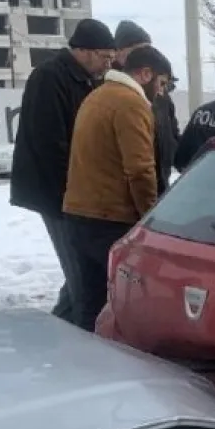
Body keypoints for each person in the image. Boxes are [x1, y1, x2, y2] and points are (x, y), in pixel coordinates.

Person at [9, 18, 115, 323]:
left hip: (78, 193)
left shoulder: (86, 79)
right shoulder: (49, 77)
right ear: (84, 51)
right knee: (81, 277)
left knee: (81, 272)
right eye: (105, 57)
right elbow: (50, 142)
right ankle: (80, 339)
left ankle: (59, 328)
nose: (108, 64)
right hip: (58, 193)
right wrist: (74, 191)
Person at [62, 46, 173, 331]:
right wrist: (150, 217)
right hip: (110, 217)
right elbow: (139, 169)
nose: (161, 92)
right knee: (121, 304)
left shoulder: (97, 95)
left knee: (90, 301)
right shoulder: (130, 103)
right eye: (161, 83)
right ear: (145, 74)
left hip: (78, 214)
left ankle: (86, 364)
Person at [114, 20, 179, 196]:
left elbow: (171, 130)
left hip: (159, 178)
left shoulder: (159, 90)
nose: (146, 54)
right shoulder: (114, 92)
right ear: (119, 52)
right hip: (130, 192)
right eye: (139, 49)